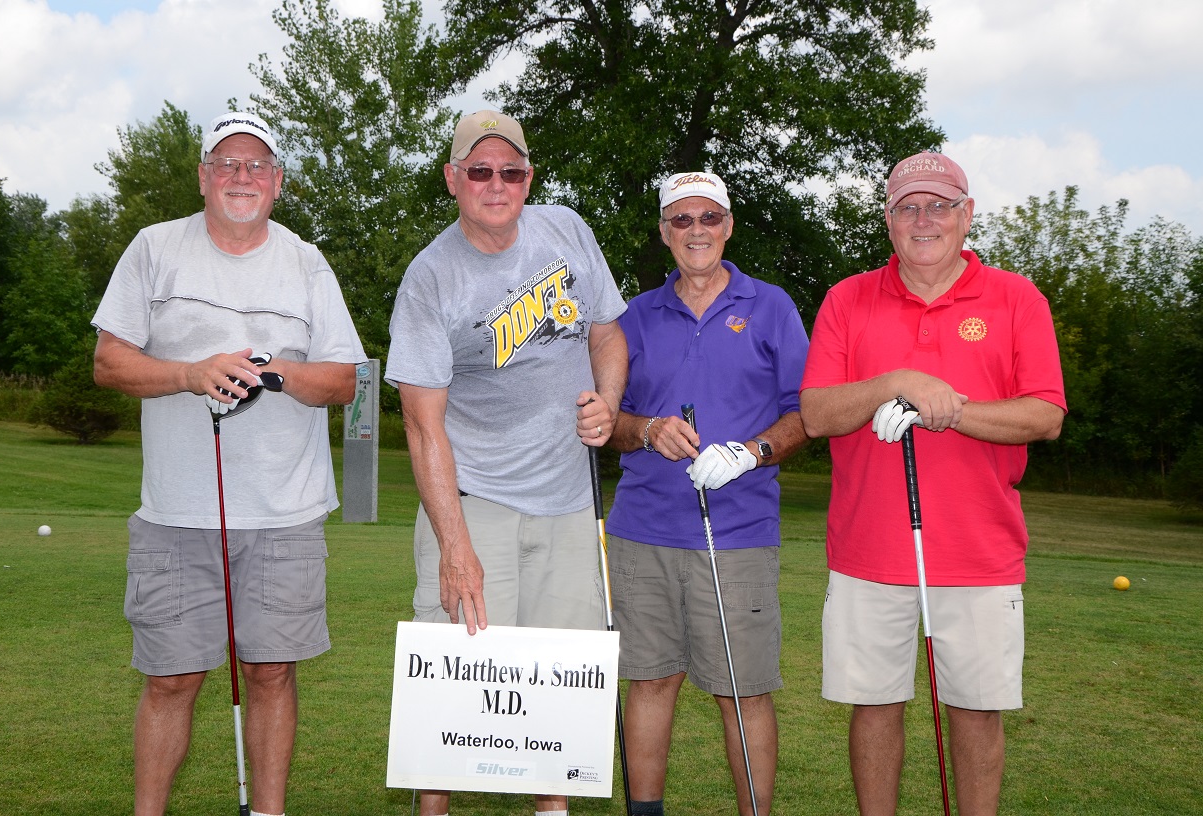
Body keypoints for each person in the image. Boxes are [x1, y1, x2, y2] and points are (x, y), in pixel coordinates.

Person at [92, 111, 366, 816]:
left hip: (286, 514)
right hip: (176, 513)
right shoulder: (155, 249)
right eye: (227, 163)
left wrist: (274, 368)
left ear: (277, 180)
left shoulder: (306, 260)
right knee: (172, 679)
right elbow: (110, 361)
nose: (241, 176)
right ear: (203, 174)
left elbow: (344, 381)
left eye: (257, 165)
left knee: (271, 671)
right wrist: (193, 373)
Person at [799, 152, 1067, 816]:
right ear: (888, 219)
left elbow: (1046, 414)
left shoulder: (1015, 298)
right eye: (908, 207)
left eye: (940, 205)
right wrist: (896, 383)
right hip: (868, 549)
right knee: (875, 705)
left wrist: (948, 409)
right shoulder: (848, 298)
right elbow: (816, 413)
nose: (925, 220)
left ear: (967, 214)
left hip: (979, 552)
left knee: (977, 712)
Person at [384, 109, 628, 816]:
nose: (497, 184)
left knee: (560, 686)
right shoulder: (431, 279)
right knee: (456, 681)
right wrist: (454, 548)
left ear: (529, 177)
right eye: (481, 170)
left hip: (568, 502)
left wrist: (608, 405)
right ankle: (434, 809)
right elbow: (422, 426)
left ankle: (550, 810)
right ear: (453, 178)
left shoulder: (568, 231)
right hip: (476, 496)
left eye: (511, 171)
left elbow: (609, 334)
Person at [604, 171, 810, 816]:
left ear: (729, 225)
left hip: (739, 533)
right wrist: (648, 430)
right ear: (665, 232)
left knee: (743, 690)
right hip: (644, 530)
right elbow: (608, 422)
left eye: (710, 218)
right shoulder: (633, 316)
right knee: (651, 680)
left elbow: (808, 411)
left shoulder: (771, 305)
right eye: (683, 220)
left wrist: (752, 451)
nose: (698, 231)